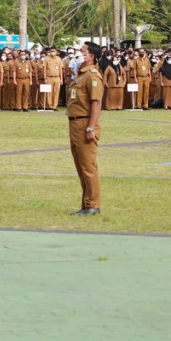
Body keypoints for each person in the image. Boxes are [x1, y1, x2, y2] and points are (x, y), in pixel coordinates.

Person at [67, 42, 105, 216]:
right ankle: (86, 204)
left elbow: (96, 103)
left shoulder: (92, 76)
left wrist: (91, 127)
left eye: (82, 51)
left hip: (85, 124)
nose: (78, 54)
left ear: (91, 56)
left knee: (88, 167)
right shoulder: (80, 75)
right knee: (81, 166)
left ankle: (92, 205)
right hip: (75, 123)